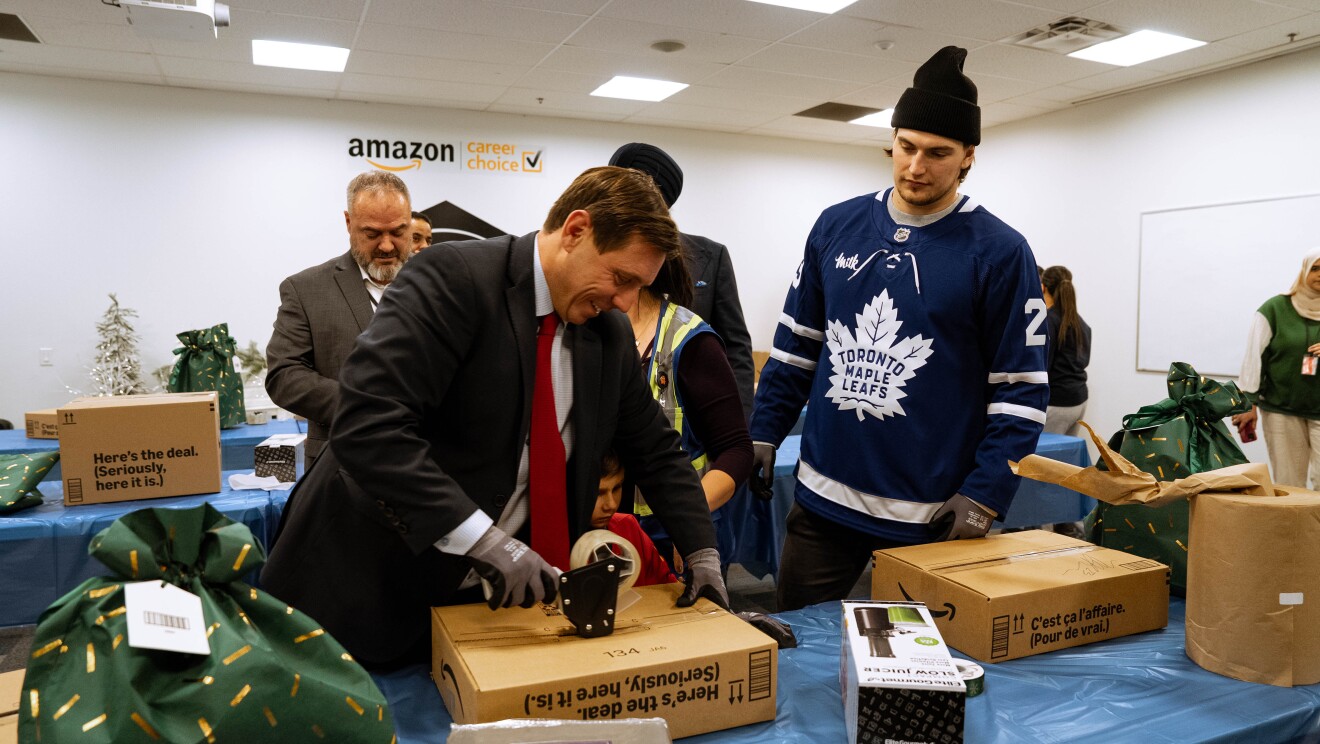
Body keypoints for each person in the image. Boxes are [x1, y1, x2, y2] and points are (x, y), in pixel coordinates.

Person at [261, 166, 729, 670]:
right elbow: (368, 425)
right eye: (620, 278)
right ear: (575, 231)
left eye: (639, 286)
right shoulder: (453, 279)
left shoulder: (607, 335)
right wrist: (483, 540)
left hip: (484, 612)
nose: (625, 302)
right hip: (364, 593)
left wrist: (702, 554)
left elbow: (656, 452)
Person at [748, 46, 1048, 612]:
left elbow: (1021, 391)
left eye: (938, 153)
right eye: (906, 147)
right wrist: (764, 431)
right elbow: (795, 350)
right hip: (823, 501)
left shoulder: (1001, 253)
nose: (916, 166)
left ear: (968, 158)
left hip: (928, 513)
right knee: (795, 648)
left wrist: (986, 493)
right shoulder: (836, 225)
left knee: (918, 676)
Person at [265, 170, 415, 468]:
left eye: (398, 232)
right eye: (372, 234)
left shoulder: (443, 282)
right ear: (348, 223)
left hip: (435, 468)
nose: (386, 246)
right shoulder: (306, 289)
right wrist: (361, 405)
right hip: (342, 471)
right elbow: (284, 375)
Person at [627, 246, 753, 572]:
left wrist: (691, 524)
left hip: (669, 533)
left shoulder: (689, 339)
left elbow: (736, 450)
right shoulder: (584, 326)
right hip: (600, 531)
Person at [608, 143, 756, 421]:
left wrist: (741, 427)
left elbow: (735, 348)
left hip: (691, 416)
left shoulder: (710, 256)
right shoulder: (601, 257)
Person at [1233, 248, 1320, 488]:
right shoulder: (1274, 309)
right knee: (1289, 484)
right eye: (1315, 268)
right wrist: (1247, 403)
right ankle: (1294, 528)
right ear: (1304, 271)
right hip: (1282, 411)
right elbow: (1253, 357)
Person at [592, 449, 677, 586]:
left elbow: (667, 586)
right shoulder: (553, 544)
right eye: (598, 493)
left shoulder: (628, 527)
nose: (611, 504)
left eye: (616, 488)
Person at [1041, 265, 1091, 436]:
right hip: (1079, 401)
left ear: (1043, 287)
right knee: (1065, 457)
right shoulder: (1080, 323)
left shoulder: (1049, 321)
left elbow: (1044, 365)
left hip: (1058, 404)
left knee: (1045, 460)